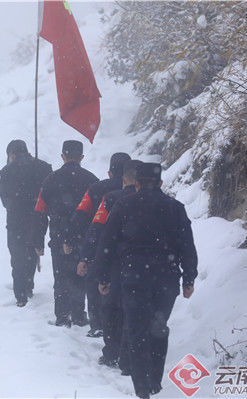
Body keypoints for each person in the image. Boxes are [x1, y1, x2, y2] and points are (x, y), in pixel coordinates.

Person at [94, 162, 198, 399]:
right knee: (158, 327)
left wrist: (102, 276)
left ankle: (141, 387)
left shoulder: (123, 205)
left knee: (136, 329)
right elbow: (187, 245)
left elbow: (106, 243)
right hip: (166, 278)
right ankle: (154, 381)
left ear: (136, 183)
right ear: (160, 183)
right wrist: (188, 278)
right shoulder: (174, 207)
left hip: (133, 277)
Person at [78, 159, 142, 373]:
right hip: (146, 266)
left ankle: (112, 353)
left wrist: (86, 257)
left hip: (116, 262)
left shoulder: (111, 199)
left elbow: (96, 231)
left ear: (124, 179)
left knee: (112, 308)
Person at [65, 152, 131, 337]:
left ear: (109, 172)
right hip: (128, 249)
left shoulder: (95, 189)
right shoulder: (138, 190)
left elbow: (80, 215)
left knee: (95, 284)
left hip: (99, 244)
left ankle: (98, 324)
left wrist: (70, 238)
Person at [33, 140, 98, 327]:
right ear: (81, 157)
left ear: (62, 156)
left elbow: (40, 211)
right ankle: (78, 314)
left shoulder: (50, 180)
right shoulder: (91, 180)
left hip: (58, 237)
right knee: (80, 276)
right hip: (84, 237)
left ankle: (62, 316)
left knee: (61, 277)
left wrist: (38, 240)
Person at [0, 140, 52, 307]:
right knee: (32, 253)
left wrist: (16, 205)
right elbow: (49, 192)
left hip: (16, 221)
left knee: (17, 257)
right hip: (38, 218)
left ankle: (21, 295)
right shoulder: (43, 167)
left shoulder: (7, 171)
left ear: (12, 154)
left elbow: (4, 198)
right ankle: (29, 286)